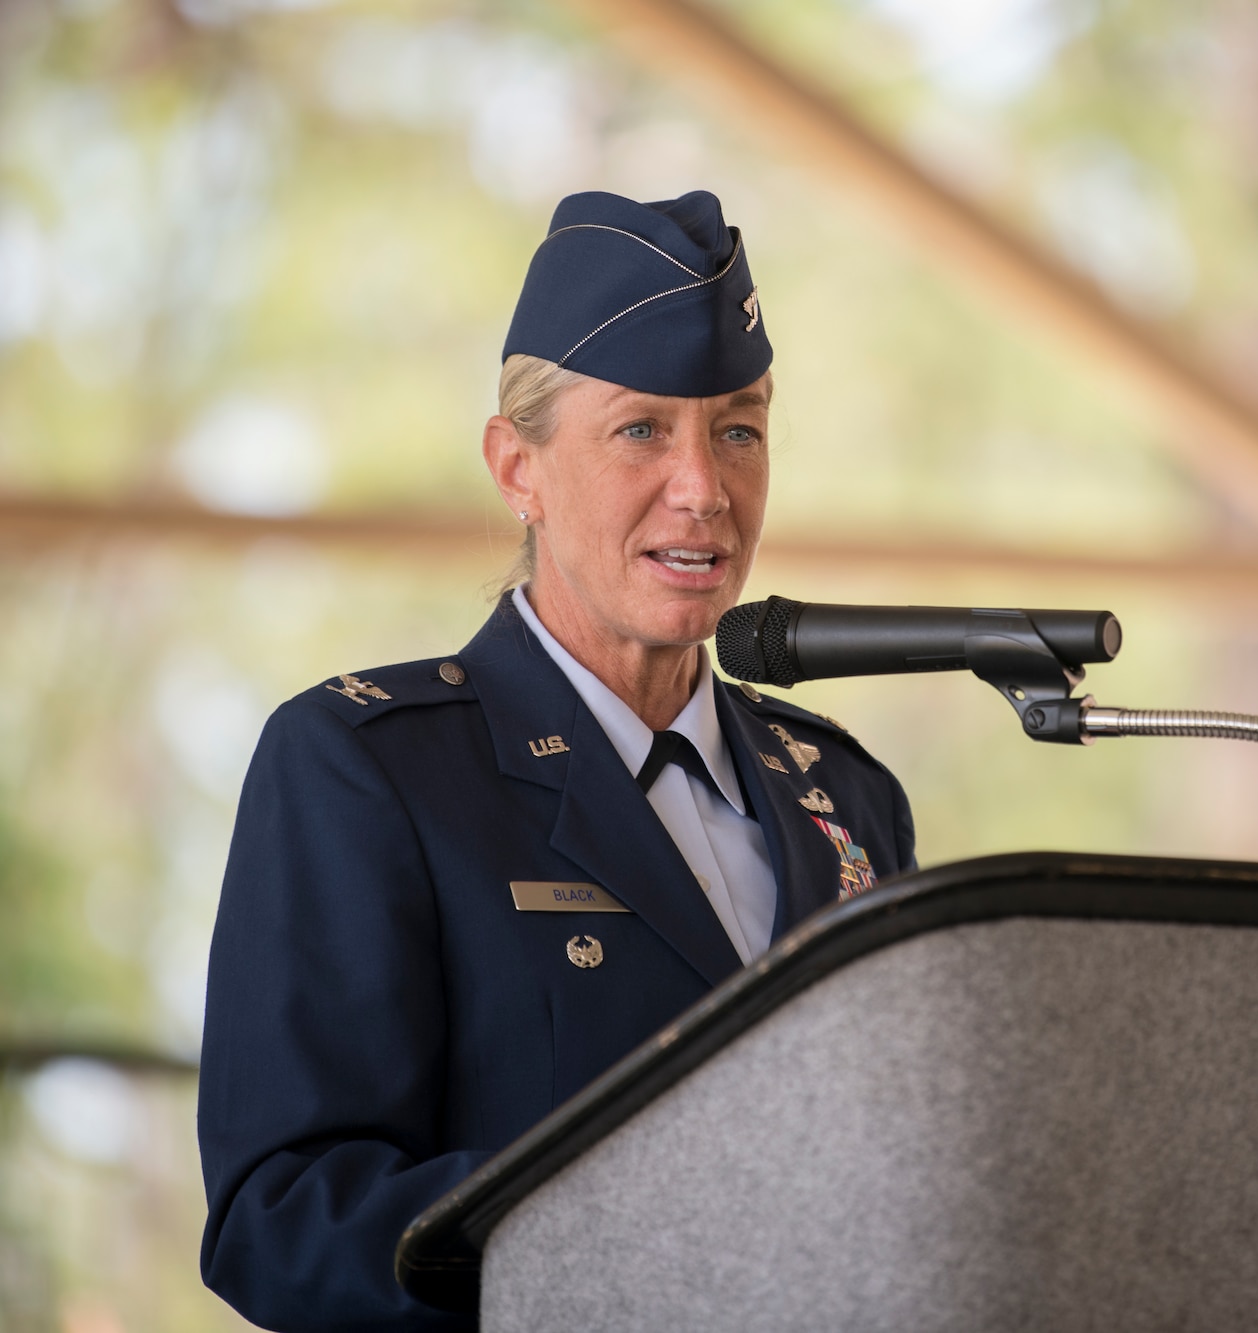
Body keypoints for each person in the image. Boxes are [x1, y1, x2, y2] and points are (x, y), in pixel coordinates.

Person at [196, 190, 916, 1331]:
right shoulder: (369, 769)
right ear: (516, 467)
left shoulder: (847, 797)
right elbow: (287, 1218)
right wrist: (663, 1236)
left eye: (738, 428)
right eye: (642, 430)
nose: (704, 488)